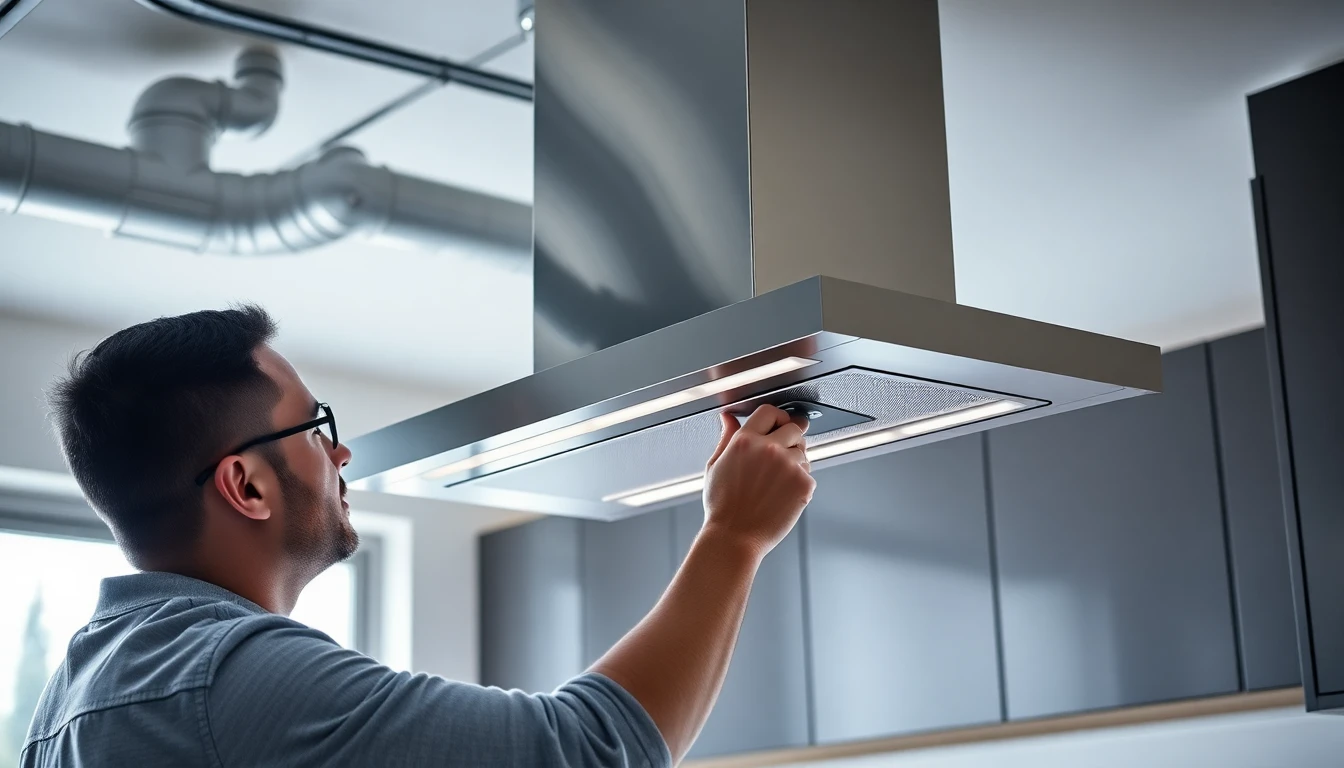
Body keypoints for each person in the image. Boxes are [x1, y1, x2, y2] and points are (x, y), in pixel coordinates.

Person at [21, 306, 816, 767]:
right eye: (314, 426)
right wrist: (734, 535)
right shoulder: (231, 679)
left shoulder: (77, 695)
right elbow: (587, 750)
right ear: (247, 485)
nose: (340, 453)